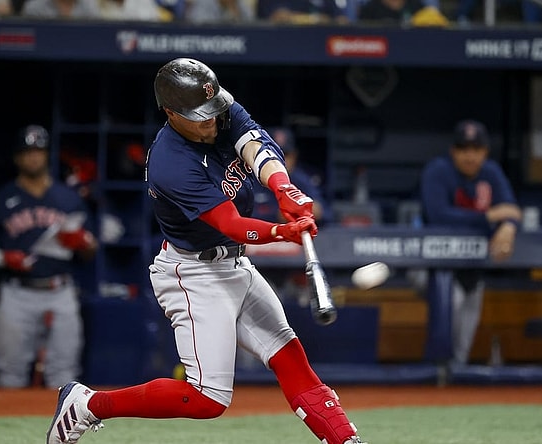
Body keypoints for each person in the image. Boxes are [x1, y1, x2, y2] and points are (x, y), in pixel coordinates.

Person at [45, 58, 367, 444]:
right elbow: (232, 224)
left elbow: (257, 145)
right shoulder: (170, 163)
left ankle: (345, 440)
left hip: (234, 264)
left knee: (290, 356)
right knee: (207, 398)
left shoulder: (218, 108)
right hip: (193, 273)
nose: (212, 121)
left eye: (214, 111)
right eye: (200, 116)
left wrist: (285, 189)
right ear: (170, 113)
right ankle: (87, 404)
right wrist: (284, 231)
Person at [0, 124, 98, 389]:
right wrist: (4, 258)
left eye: (38, 151)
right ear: (17, 158)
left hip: (60, 289)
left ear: (46, 154)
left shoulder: (68, 198)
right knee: (9, 373)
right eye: (26, 152)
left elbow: (91, 250)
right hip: (16, 291)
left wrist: (83, 241)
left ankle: (62, 428)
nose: (33, 157)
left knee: (64, 373)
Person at [420, 119, 521, 366]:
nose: (470, 156)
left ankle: (455, 380)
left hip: (472, 265)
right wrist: (488, 217)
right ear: (453, 151)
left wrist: (509, 226)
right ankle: (437, 372)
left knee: (465, 330)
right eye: (464, 149)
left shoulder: (491, 172)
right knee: (450, 309)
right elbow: (438, 215)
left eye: (476, 150)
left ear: (485, 152)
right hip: (433, 264)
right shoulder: (438, 170)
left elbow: (511, 210)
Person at [252, 126, 333, 226]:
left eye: (285, 154)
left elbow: (326, 213)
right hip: (262, 237)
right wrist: (276, 216)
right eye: (274, 153)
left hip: (295, 237)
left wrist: (312, 211)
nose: (280, 159)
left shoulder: (303, 180)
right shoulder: (250, 180)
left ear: (294, 156)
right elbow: (240, 218)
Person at [256, 0, 349, 24]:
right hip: (283, 51)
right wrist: (316, 19)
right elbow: (280, 17)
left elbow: (341, 20)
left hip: (322, 50)